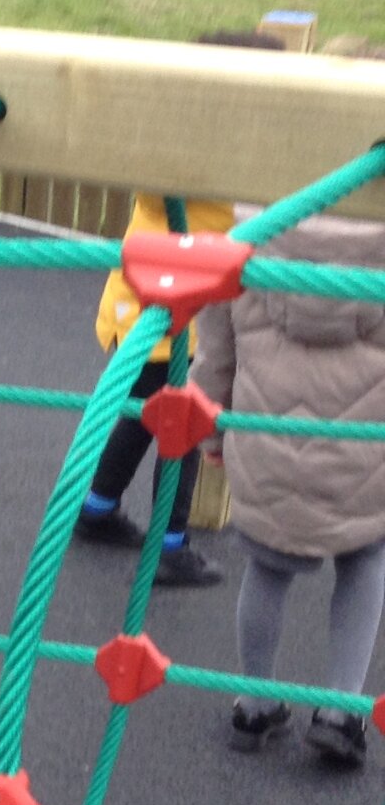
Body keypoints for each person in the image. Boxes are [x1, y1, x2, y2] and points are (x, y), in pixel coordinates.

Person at [73, 29, 286, 589]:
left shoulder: (166, 139)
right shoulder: (233, 158)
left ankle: (96, 508)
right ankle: (171, 547)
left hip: (136, 298)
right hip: (184, 312)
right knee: (184, 428)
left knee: (140, 415)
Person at [192, 212, 385, 767]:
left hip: (268, 435)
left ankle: (255, 703)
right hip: (364, 444)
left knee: (267, 567)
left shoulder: (253, 231)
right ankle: (340, 711)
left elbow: (216, 347)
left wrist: (210, 426)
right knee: (365, 559)